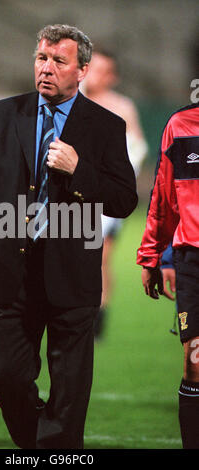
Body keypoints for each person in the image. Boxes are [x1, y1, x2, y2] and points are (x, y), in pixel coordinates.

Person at [0, 24, 138, 449]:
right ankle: (42, 446)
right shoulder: (0, 115)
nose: (47, 68)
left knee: (70, 391)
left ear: (83, 71)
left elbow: (124, 200)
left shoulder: (106, 126)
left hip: (73, 277)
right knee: (6, 377)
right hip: (10, 274)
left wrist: (79, 171)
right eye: (42, 58)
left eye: (60, 61)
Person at [136, 103, 199, 449]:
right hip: (193, 260)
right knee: (195, 363)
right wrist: (153, 256)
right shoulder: (181, 124)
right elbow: (163, 195)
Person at [82, 47, 147, 338]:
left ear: (112, 76)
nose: (91, 73)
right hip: (70, 194)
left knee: (99, 256)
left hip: (105, 196)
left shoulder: (121, 107)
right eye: (90, 66)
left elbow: (136, 148)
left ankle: (98, 314)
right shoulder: (70, 101)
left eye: (100, 69)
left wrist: (115, 180)